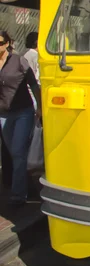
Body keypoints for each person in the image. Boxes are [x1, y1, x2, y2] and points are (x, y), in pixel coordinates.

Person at [0, 31, 42, 205]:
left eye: (0, 42)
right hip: (3, 114)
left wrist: (39, 107)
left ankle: (19, 194)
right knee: (14, 153)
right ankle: (28, 184)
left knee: (18, 152)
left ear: (7, 43)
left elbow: (33, 83)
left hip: (23, 112)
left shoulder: (19, 60)